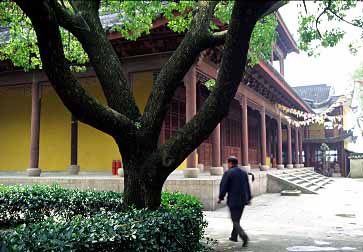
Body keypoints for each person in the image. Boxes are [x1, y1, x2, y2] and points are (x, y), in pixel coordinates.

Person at [218, 156, 252, 247]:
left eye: (227, 163)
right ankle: (234, 236)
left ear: (230, 163)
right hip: (243, 200)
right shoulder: (244, 172)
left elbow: (223, 186)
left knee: (235, 220)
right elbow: (247, 186)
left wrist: (220, 197)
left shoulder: (228, 173)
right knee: (237, 218)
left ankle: (244, 236)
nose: (227, 165)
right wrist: (249, 198)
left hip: (233, 200)